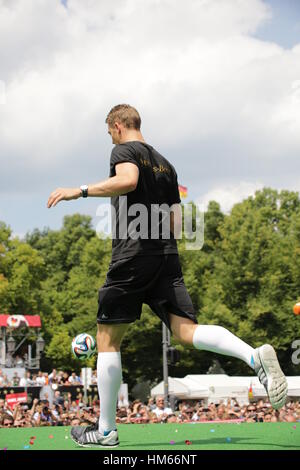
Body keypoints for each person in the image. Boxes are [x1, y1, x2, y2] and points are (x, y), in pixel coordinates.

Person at [47, 103, 288, 448]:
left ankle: (105, 431)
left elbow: (127, 180)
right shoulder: (167, 164)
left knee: (107, 339)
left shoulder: (124, 149)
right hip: (166, 255)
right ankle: (253, 357)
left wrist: (80, 190)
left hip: (133, 254)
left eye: (109, 133)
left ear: (117, 125)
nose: (110, 140)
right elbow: (175, 221)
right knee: (186, 331)